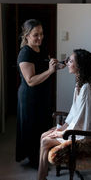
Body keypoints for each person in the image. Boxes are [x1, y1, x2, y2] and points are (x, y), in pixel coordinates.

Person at [37, 49, 91, 180]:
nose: (67, 63)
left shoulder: (87, 88)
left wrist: (62, 133)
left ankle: (41, 177)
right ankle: (42, 175)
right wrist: (62, 128)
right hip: (75, 128)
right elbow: (73, 113)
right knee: (44, 135)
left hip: (83, 133)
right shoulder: (79, 84)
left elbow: (83, 120)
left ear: (79, 66)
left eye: (71, 61)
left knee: (45, 141)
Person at [16, 19, 58, 167]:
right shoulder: (25, 53)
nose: (40, 37)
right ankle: (35, 160)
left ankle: (42, 155)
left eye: (41, 34)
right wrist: (50, 71)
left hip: (42, 95)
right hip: (30, 97)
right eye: (36, 35)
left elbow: (44, 70)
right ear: (27, 36)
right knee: (33, 127)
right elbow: (31, 81)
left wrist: (55, 66)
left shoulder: (42, 48)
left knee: (43, 125)